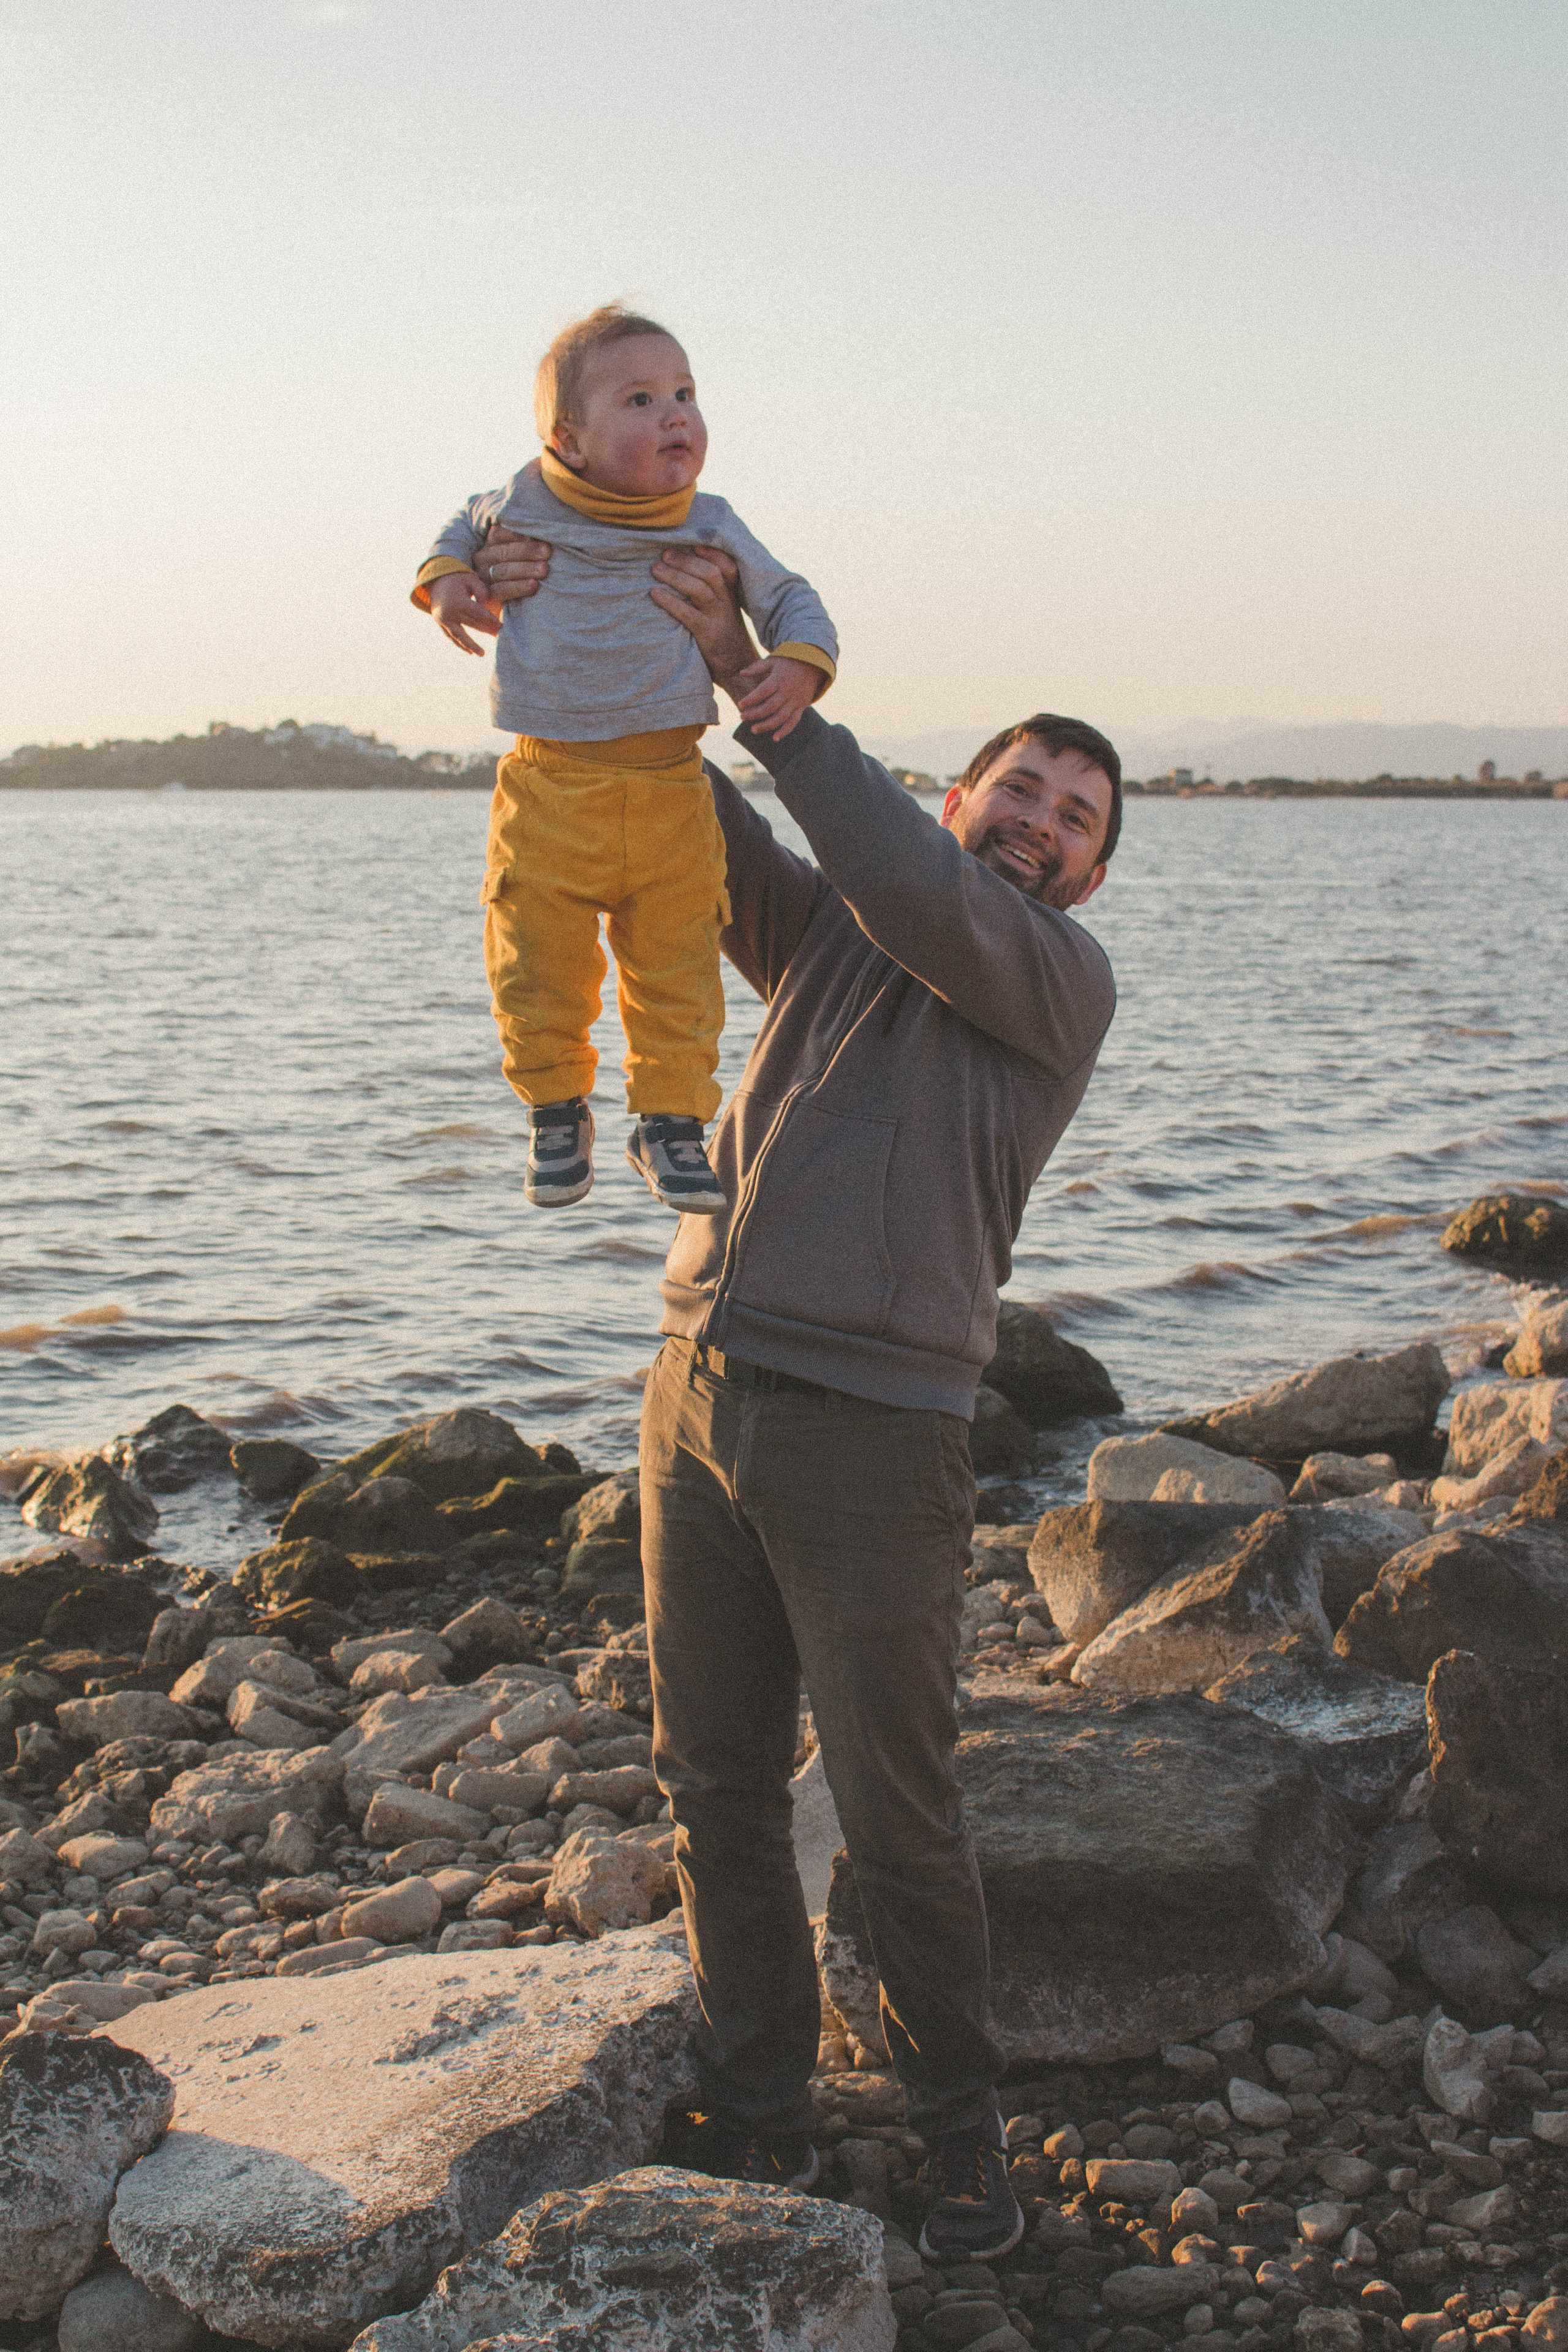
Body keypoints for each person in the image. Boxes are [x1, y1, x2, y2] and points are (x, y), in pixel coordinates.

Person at [473, 527, 1120, 2262]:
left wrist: (784, 712)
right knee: (717, 1786)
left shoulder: (1054, 984)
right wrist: (627, 650)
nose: (1044, 819)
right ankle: (762, 2099)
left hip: (877, 1438)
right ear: (963, 788)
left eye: (1077, 817)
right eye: (1025, 786)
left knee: (902, 1815)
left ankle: (960, 2132)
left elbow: (904, 882)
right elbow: (703, 845)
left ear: (1088, 875)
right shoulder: (845, 917)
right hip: (698, 1392)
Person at [412, 303, 837, 1216]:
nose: (676, 415)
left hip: (669, 788)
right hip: (549, 786)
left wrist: (797, 665)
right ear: (568, 439)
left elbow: (789, 595)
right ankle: (556, 1107)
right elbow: (456, 525)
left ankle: (671, 1123)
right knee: (535, 955)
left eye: (685, 393)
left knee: (678, 961)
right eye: (640, 400)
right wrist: (449, 578)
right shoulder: (519, 504)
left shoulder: (711, 524)